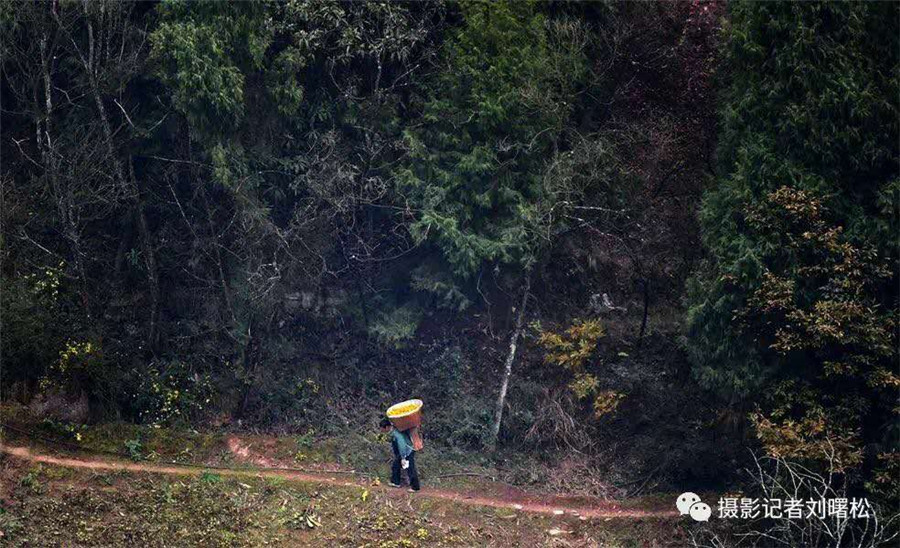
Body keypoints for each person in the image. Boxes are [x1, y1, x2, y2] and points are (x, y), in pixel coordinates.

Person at [380, 417, 420, 491]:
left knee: (410, 468)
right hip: (403, 453)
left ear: (387, 427)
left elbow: (402, 445)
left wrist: (403, 457)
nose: (381, 430)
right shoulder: (393, 431)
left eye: (382, 428)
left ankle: (415, 487)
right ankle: (396, 482)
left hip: (408, 451)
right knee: (396, 465)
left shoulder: (396, 434)